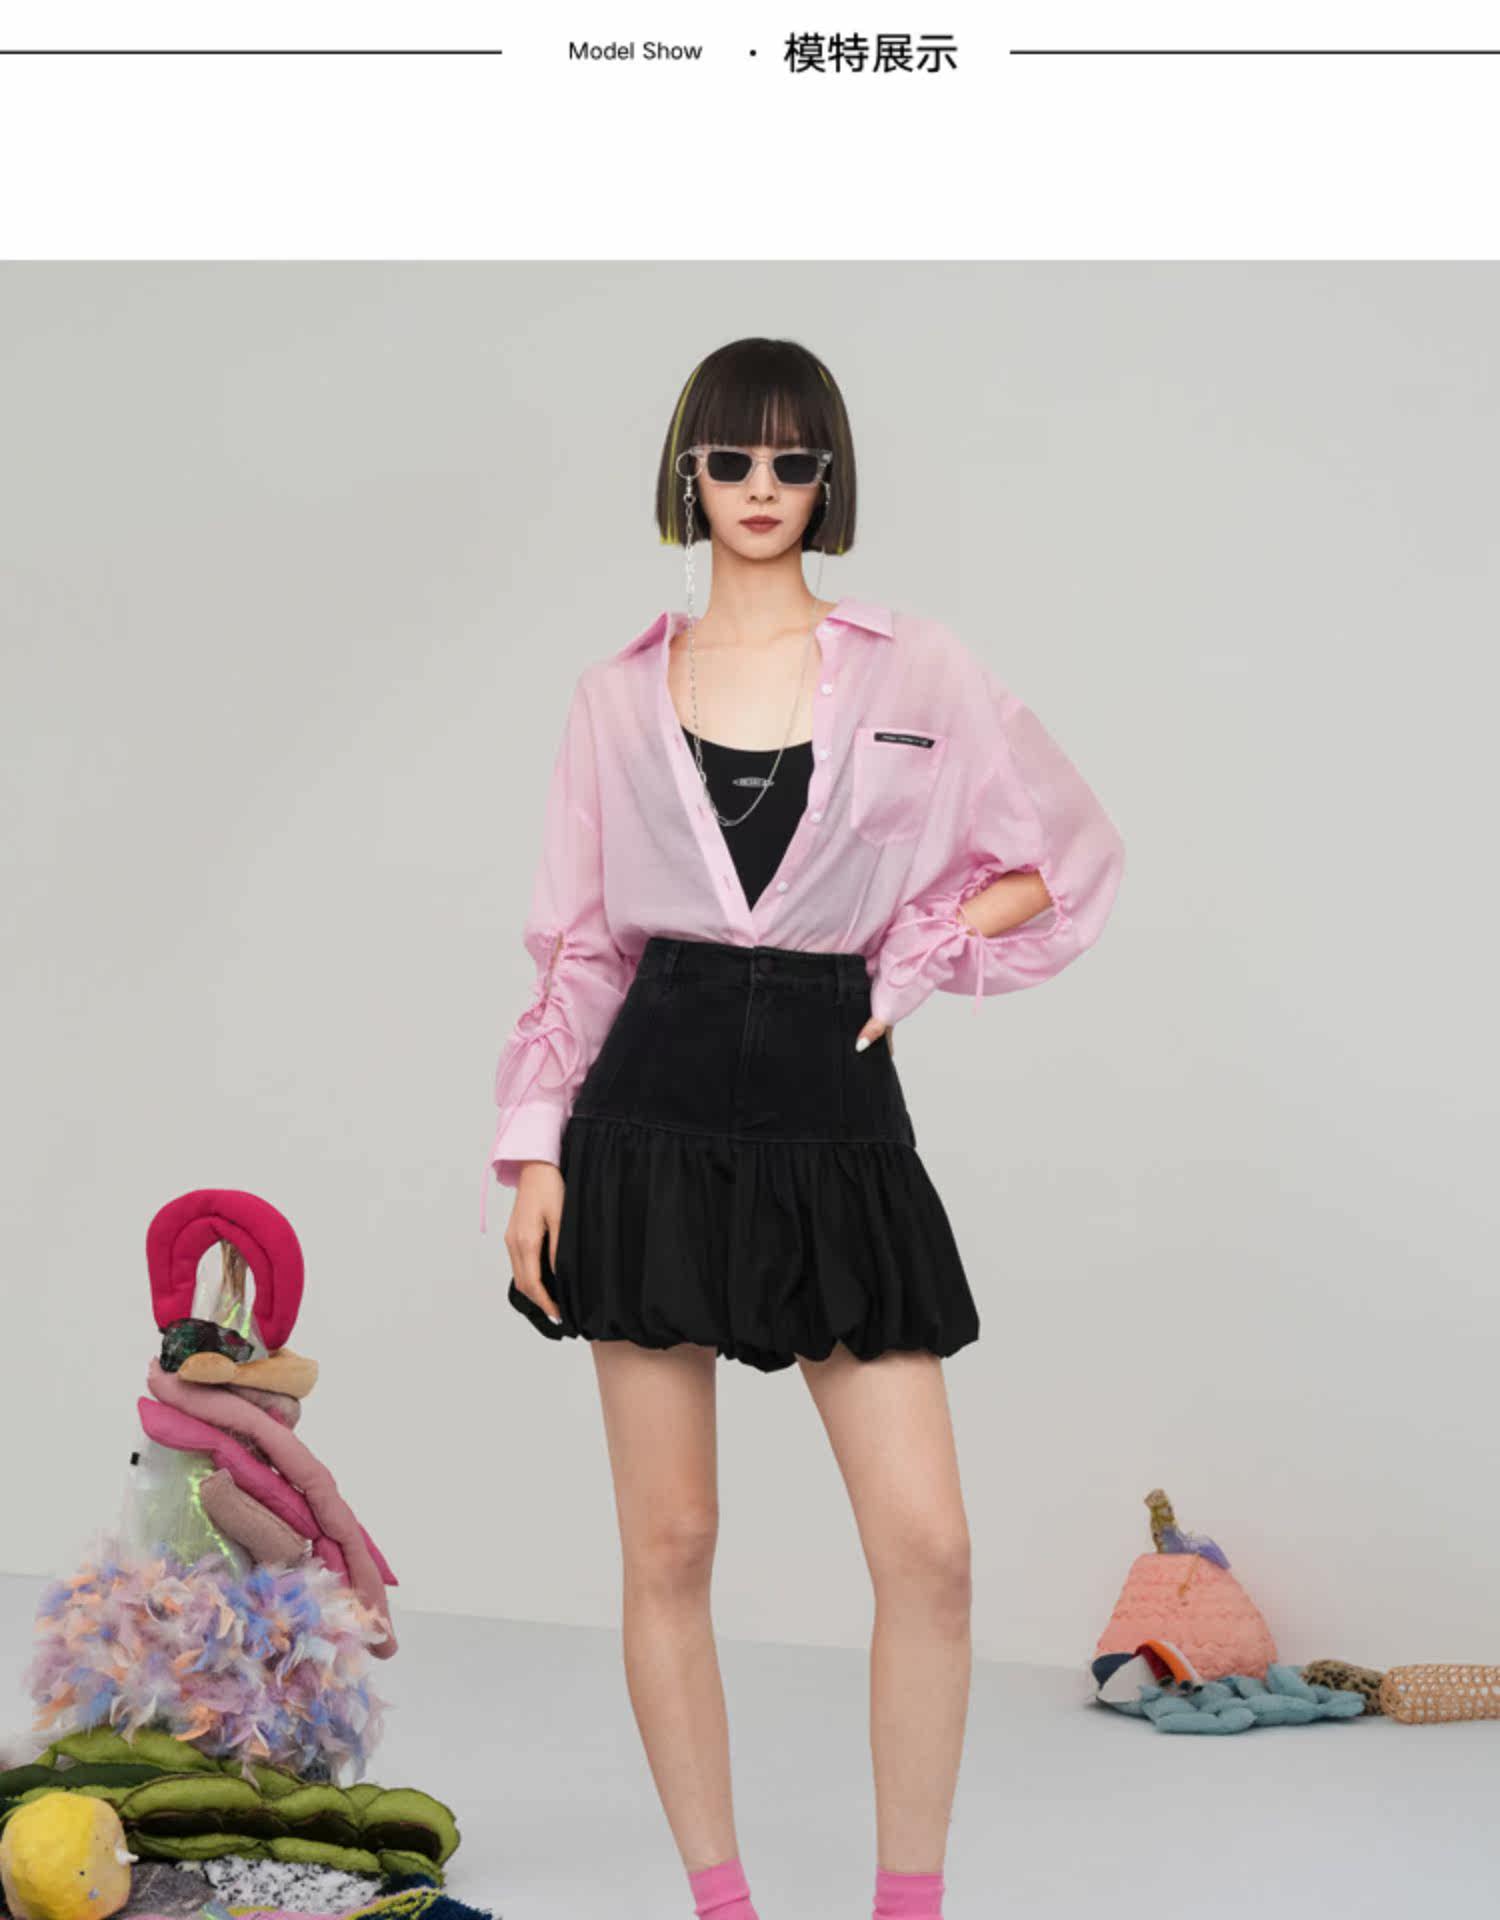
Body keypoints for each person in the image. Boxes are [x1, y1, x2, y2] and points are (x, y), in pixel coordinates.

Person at [482, 337, 1126, 1920]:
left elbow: (1059, 854)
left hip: (836, 1115)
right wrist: (534, 1154)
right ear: (688, 475)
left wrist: (917, 954)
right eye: (732, 460)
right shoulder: (615, 697)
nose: (760, 489)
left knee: (931, 1551)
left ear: (828, 480)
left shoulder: (917, 669)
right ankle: (725, 1904)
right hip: (647, 1114)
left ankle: (909, 1904)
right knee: (673, 1543)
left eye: (792, 462)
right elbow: (580, 951)